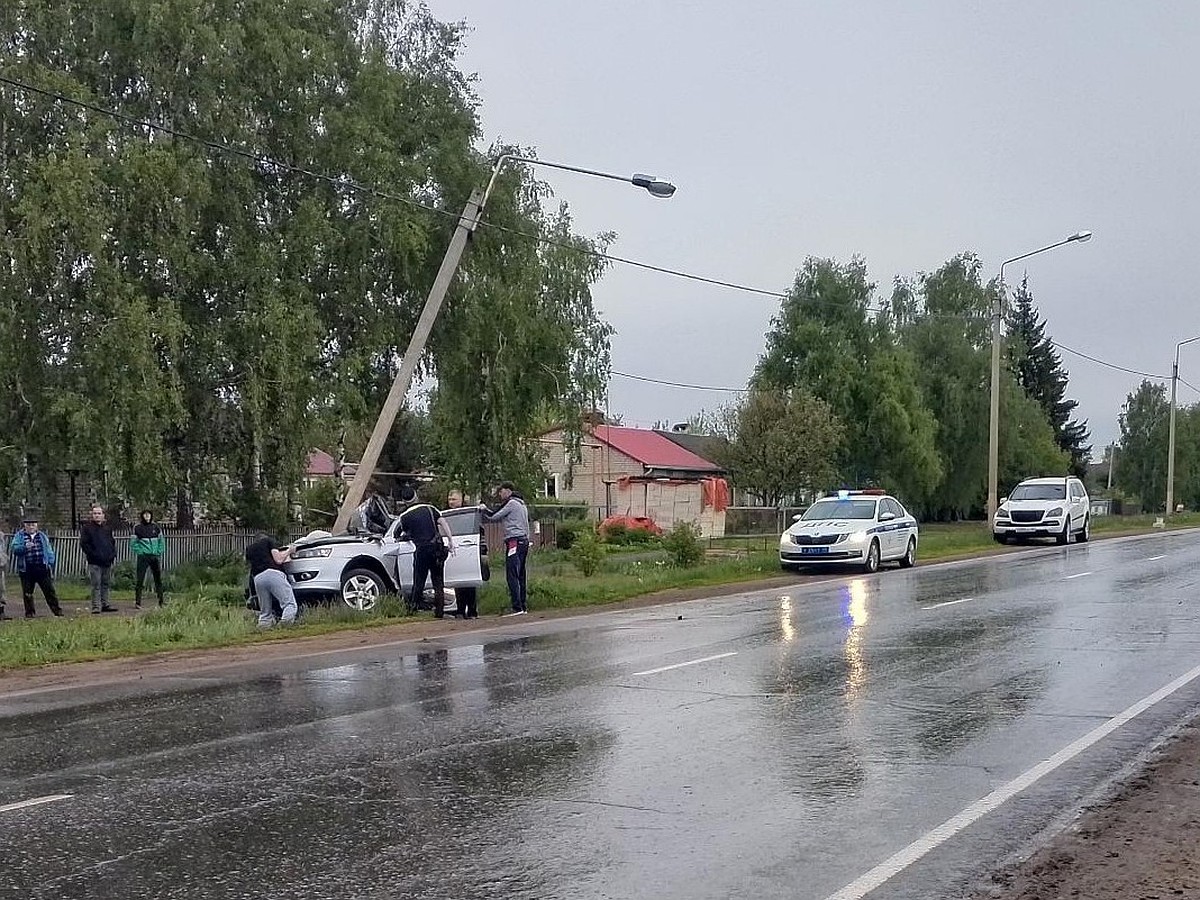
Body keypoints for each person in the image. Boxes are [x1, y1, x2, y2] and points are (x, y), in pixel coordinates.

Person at [398, 486, 455, 618]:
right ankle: (439, 612)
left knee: (419, 581)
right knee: (438, 581)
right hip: (437, 548)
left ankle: (412, 610)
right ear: (416, 495)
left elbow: (405, 532)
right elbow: (443, 522)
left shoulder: (404, 516)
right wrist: (451, 541)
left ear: (404, 501)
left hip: (422, 550)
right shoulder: (430, 508)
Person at [480, 482, 530, 616]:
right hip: (523, 541)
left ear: (508, 491)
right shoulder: (522, 504)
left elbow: (494, 516)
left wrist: (484, 509)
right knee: (521, 574)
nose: (500, 495)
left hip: (514, 541)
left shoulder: (511, 503)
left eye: (501, 492)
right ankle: (523, 605)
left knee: (512, 574)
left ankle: (516, 607)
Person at [9, 516, 64, 618]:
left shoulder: (42, 536)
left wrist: (50, 562)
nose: (31, 527)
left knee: (49, 591)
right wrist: (25, 547)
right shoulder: (19, 536)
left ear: (37, 525)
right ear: (25, 525)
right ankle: (30, 613)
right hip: (27, 569)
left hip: (42, 567)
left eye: (33, 524)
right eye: (28, 525)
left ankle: (57, 611)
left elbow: (48, 550)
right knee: (27, 592)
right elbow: (15, 549)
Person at [244, 533, 298, 629]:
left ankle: (262, 629)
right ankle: (284, 626)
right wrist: (290, 550)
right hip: (273, 574)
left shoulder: (249, 549)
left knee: (265, 612)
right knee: (289, 604)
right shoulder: (268, 541)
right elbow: (278, 560)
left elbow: (250, 567)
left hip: (258, 578)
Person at [80, 505, 118, 613]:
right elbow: (84, 544)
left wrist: (112, 555)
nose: (97, 515)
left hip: (107, 561)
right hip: (94, 562)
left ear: (103, 515)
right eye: (95, 513)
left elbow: (112, 542)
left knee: (105, 584)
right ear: (92, 515)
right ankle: (96, 606)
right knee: (96, 584)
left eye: (99, 513)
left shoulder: (107, 528)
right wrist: (93, 555)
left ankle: (105, 604)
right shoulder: (87, 528)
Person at [132, 510, 166, 608]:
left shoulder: (156, 527)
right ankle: (138, 602)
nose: (147, 517)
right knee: (140, 579)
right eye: (145, 515)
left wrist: (158, 551)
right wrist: (141, 552)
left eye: (149, 515)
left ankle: (161, 600)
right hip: (143, 557)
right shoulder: (138, 528)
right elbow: (133, 543)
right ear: (142, 516)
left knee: (158, 579)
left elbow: (161, 541)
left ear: (151, 516)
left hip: (154, 556)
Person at [0, 524, 9, 621]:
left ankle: (1, 612)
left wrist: (4, 560)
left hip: (0, 565)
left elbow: (2, 550)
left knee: (1, 589)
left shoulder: (1, 535)